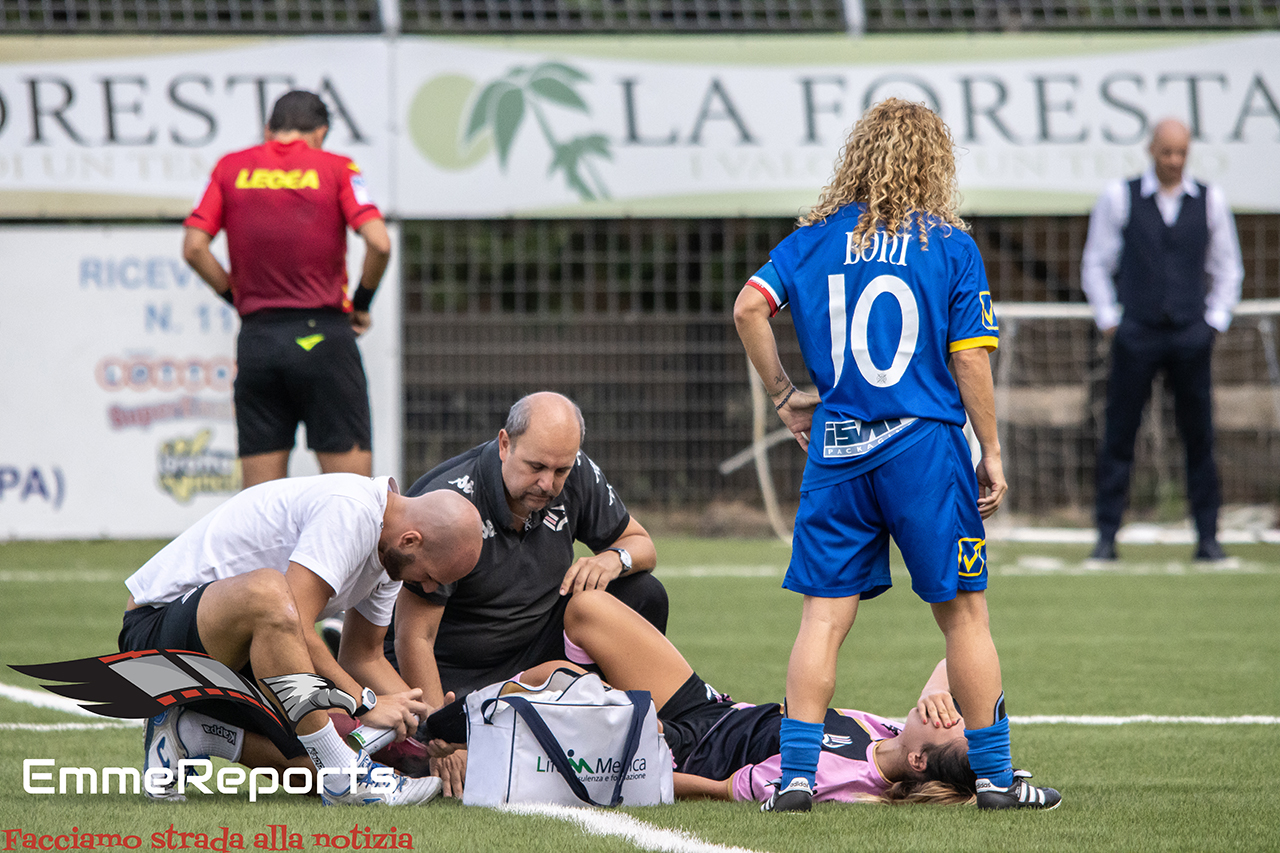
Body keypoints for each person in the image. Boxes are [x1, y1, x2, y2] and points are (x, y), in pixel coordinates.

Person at [732, 99, 1060, 812]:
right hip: (923, 447)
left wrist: (786, 394)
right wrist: (992, 450)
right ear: (933, 162)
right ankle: (999, 779)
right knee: (964, 616)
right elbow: (970, 362)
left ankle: (794, 778)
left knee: (823, 616)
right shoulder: (950, 246)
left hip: (839, 448)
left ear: (858, 155)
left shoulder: (812, 242)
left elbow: (748, 308)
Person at [409, 589, 984, 804]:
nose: (949, 711)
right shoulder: (886, 733)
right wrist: (938, 696)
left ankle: (438, 728)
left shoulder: (841, 778)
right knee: (587, 610)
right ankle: (543, 712)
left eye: (947, 724)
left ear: (918, 760)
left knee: (558, 672)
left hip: (679, 747)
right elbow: (956, 659)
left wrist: (638, 763)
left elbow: (717, 790)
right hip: (709, 708)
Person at [118, 473, 483, 805]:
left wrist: (430, 723)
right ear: (411, 539)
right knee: (271, 596)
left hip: (232, 654)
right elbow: (293, 622)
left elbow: (364, 656)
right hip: (152, 642)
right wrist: (364, 702)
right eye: (433, 576)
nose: (431, 588)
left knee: (326, 754)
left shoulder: (393, 557)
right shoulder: (352, 510)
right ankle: (346, 780)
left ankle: (190, 730)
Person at [390, 391, 668, 793]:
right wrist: (447, 735)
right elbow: (413, 636)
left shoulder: (578, 474)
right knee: (420, 764)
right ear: (505, 444)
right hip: (453, 669)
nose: (547, 483)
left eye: (560, 470)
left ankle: (630, 732)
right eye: (536, 466)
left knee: (642, 593)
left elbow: (641, 545)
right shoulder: (450, 504)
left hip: (535, 646)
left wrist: (614, 559)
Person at [182, 89, 391, 488]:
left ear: (268, 130)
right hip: (324, 340)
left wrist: (237, 297)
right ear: (321, 133)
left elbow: (194, 247)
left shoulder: (229, 168)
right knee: (352, 503)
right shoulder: (337, 167)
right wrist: (361, 304)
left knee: (259, 512)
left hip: (259, 342)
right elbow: (379, 242)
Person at [1081, 118, 1244, 563]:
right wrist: (1110, 319)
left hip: (1191, 333)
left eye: (1181, 153)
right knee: (1119, 435)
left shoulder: (1210, 200)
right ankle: (1106, 536)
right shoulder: (1120, 197)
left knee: (1199, 436)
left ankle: (1208, 537)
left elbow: (1228, 266)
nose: (1173, 161)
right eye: (1166, 152)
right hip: (1136, 333)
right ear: (1152, 150)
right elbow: (1096, 262)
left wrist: (1215, 320)